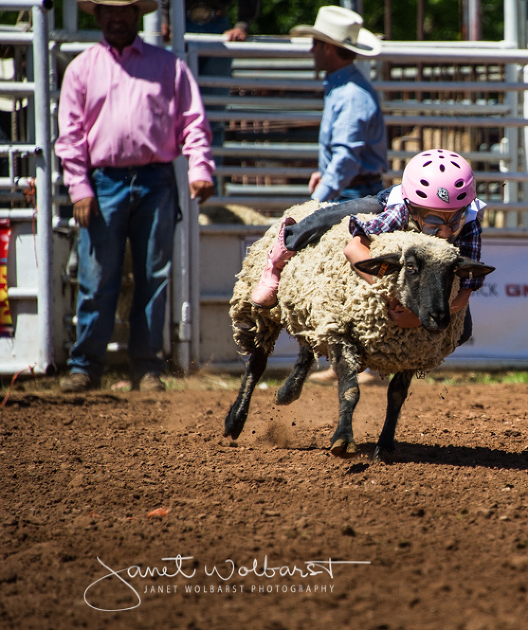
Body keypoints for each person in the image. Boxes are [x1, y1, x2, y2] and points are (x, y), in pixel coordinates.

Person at [56, 0, 216, 393]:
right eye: (109, 10)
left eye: (124, 9)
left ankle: (145, 367)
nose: (116, 16)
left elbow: (193, 121)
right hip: (104, 179)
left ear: (136, 15)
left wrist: (200, 169)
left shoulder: (169, 67)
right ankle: (86, 365)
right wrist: (79, 185)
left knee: (153, 275)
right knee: (97, 276)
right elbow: (70, 133)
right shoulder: (82, 68)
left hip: (154, 178)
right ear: (97, 15)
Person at [250, 149, 484, 349]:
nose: (444, 232)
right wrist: (392, 296)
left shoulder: (470, 223)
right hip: (384, 203)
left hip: (430, 271)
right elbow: (354, 249)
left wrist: (418, 318)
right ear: (413, 212)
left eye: (453, 222)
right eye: (434, 224)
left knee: (462, 332)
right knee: (338, 212)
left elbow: (467, 288)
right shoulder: (399, 211)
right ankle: (279, 257)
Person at [289, 6, 388, 204]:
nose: (312, 49)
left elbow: (346, 159)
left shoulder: (350, 95)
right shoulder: (346, 89)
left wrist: (317, 199)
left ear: (328, 47)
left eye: (315, 43)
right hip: (353, 189)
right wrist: (326, 175)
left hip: (352, 194)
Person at [159, 0, 260, 146]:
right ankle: (178, 166)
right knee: (170, 111)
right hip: (178, 25)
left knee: (212, 114)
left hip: (216, 26)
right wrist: (162, 19)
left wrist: (242, 25)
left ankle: (208, 167)